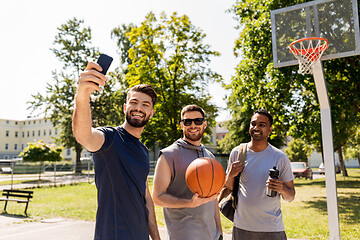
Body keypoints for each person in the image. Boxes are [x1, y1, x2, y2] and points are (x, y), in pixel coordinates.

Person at [72, 61, 160, 240]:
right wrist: (82, 96)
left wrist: (156, 238)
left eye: (145, 105)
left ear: (151, 113)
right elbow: (84, 136)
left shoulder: (143, 150)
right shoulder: (111, 138)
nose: (139, 108)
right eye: (134, 102)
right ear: (125, 107)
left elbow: (146, 200)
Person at [152, 104, 223, 240]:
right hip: (183, 235)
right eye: (187, 122)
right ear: (181, 125)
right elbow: (157, 198)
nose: (193, 125)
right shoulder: (169, 155)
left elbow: (213, 200)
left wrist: (219, 231)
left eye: (198, 121)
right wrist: (189, 203)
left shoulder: (209, 156)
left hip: (212, 235)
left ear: (204, 124)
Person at [225, 109, 295, 240]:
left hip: (272, 229)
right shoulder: (237, 153)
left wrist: (281, 189)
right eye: (253, 124)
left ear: (270, 129)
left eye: (262, 125)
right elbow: (228, 187)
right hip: (242, 227)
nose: (256, 127)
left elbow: (290, 196)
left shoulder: (280, 157)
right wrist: (231, 175)